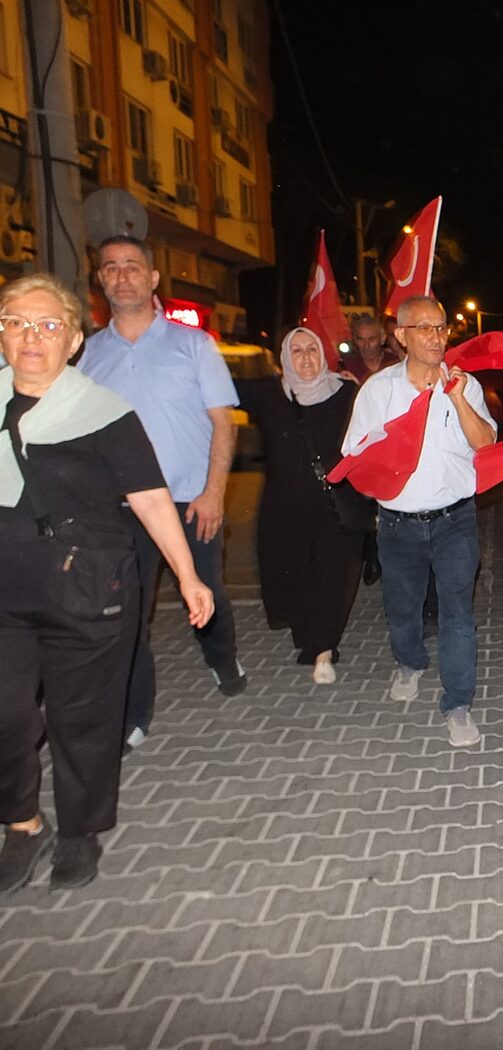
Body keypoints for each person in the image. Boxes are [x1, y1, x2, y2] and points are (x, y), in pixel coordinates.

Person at [0, 274, 213, 893]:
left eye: (47, 325)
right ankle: (22, 821)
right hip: (6, 593)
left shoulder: (104, 412)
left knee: (83, 717)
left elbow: (149, 497)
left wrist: (189, 575)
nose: (30, 336)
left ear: (72, 342)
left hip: (87, 589)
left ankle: (77, 832)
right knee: (6, 715)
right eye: (15, 322)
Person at [79, 235, 243, 752]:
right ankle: (135, 713)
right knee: (131, 611)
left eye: (132, 267)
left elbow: (224, 423)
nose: (122, 275)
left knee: (207, 592)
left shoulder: (193, 345)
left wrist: (215, 492)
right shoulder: (86, 356)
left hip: (191, 500)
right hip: (122, 511)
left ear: (153, 279)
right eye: (111, 268)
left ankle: (222, 659)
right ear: (101, 282)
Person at [342, 295, 496, 745]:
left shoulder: (463, 385)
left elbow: (486, 444)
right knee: (403, 609)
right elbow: (355, 456)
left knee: (457, 614)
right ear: (401, 336)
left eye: (441, 327)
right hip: (398, 525)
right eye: (424, 328)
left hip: (455, 521)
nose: (436, 336)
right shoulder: (378, 390)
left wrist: (457, 398)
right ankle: (409, 663)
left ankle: (458, 703)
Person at [236, 328, 372, 685]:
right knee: (294, 575)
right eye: (296, 351)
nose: (306, 358)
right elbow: (215, 386)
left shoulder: (346, 392)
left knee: (330, 574)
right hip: (283, 510)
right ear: (284, 358)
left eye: (312, 348)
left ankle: (323, 649)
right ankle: (309, 636)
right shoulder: (269, 394)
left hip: (334, 507)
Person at [343, 316, 400, 383]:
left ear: (382, 339)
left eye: (371, 339)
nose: (366, 345)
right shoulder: (348, 365)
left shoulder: (395, 362)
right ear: (355, 341)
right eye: (361, 339)